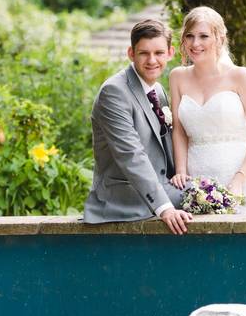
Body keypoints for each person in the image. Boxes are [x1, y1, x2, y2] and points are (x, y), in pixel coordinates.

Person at [168, 6, 246, 214]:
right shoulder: (177, 77)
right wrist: (181, 171)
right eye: (190, 36)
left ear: (219, 38)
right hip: (197, 176)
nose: (195, 43)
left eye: (204, 36)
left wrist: (240, 179)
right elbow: (179, 130)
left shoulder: (240, 76)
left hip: (240, 174)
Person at [82, 19, 193, 234]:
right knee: (206, 199)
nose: (152, 60)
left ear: (170, 53)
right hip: (126, 197)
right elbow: (131, 154)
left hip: (163, 186)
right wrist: (165, 208)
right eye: (144, 53)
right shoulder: (114, 92)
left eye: (159, 53)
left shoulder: (157, 90)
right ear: (131, 54)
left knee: (211, 195)